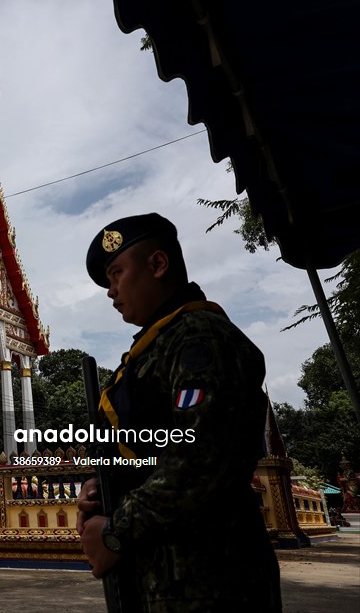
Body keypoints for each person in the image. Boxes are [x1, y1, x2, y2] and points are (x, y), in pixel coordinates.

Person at [77, 213, 281, 611]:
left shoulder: (200, 338)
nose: (111, 290)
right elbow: (154, 453)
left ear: (157, 265)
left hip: (210, 578)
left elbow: (199, 458)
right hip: (158, 576)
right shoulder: (151, 351)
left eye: (117, 274)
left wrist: (116, 532)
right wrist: (104, 486)